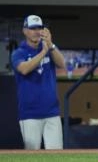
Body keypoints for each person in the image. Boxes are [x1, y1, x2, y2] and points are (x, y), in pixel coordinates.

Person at [11, 15, 66, 150]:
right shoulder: (19, 52)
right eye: (32, 28)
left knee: (56, 155)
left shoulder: (49, 48)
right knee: (32, 155)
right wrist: (43, 52)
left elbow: (62, 63)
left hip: (52, 112)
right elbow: (24, 69)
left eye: (39, 28)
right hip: (29, 114)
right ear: (25, 31)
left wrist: (51, 45)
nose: (36, 31)